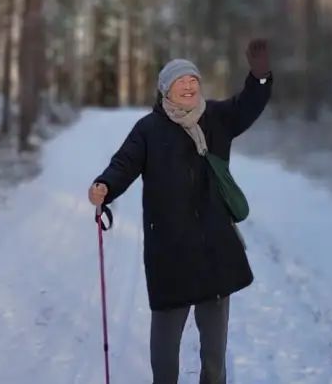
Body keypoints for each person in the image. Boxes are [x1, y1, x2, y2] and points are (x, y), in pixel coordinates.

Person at [88, 39, 272, 384]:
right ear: (165, 91)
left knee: (214, 355)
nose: (189, 86)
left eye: (194, 80)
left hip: (215, 247)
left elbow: (248, 106)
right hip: (170, 249)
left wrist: (259, 77)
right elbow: (124, 163)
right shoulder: (149, 129)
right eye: (180, 81)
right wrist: (105, 187)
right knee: (164, 354)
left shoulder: (216, 118)